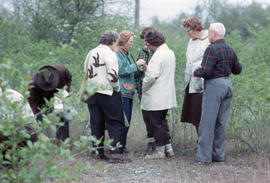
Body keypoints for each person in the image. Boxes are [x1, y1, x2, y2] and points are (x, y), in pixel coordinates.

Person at [193, 23, 242, 163]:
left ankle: (203, 158)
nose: (207, 35)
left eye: (209, 33)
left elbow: (206, 71)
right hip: (227, 85)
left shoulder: (212, 48)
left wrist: (195, 72)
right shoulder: (230, 49)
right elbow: (238, 70)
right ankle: (218, 156)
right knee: (221, 122)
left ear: (214, 34)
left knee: (207, 123)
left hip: (215, 85)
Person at [84, 30, 129, 162]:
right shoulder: (110, 54)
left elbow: (85, 71)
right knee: (115, 121)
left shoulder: (91, 52)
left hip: (92, 92)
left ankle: (97, 152)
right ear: (113, 41)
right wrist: (117, 89)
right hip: (107, 92)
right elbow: (113, 76)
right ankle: (115, 153)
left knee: (96, 122)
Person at [141, 30, 177, 159]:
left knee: (156, 124)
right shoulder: (170, 53)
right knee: (162, 122)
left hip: (156, 95)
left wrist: (143, 87)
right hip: (166, 94)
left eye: (147, 43)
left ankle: (159, 152)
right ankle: (168, 148)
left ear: (150, 43)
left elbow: (152, 76)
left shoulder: (158, 55)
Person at [115, 30, 145, 153]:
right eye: (130, 41)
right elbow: (122, 70)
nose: (132, 44)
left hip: (129, 92)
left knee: (127, 121)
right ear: (124, 41)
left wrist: (140, 70)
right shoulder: (117, 54)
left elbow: (130, 72)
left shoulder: (126, 54)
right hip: (122, 92)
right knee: (123, 121)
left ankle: (122, 146)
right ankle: (118, 148)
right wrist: (136, 64)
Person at [180, 16, 210, 141]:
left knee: (202, 115)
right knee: (193, 116)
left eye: (189, 30)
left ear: (195, 28)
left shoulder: (208, 39)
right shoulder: (191, 41)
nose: (187, 33)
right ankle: (200, 141)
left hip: (203, 83)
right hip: (191, 83)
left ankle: (205, 142)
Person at [28, 65, 72, 141]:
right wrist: (34, 119)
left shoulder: (61, 72)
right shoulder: (32, 85)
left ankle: (62, 141)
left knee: (61, 115)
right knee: (37, 118)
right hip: (40, 99)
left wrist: (66, 91)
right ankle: (37, 140)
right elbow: (32, 106)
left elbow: (68, 78)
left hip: (57, 94)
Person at [136, 27, 156, 154]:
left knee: (157, 117)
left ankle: (162, 142)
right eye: (144, 39)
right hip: (143, 88)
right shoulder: (141, 52)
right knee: (146, 117)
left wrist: (148, 68)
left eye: (147, 39)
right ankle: (150, 142)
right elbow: (137, 72)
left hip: (155, 88)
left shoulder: (159, 52)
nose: (145, 42)